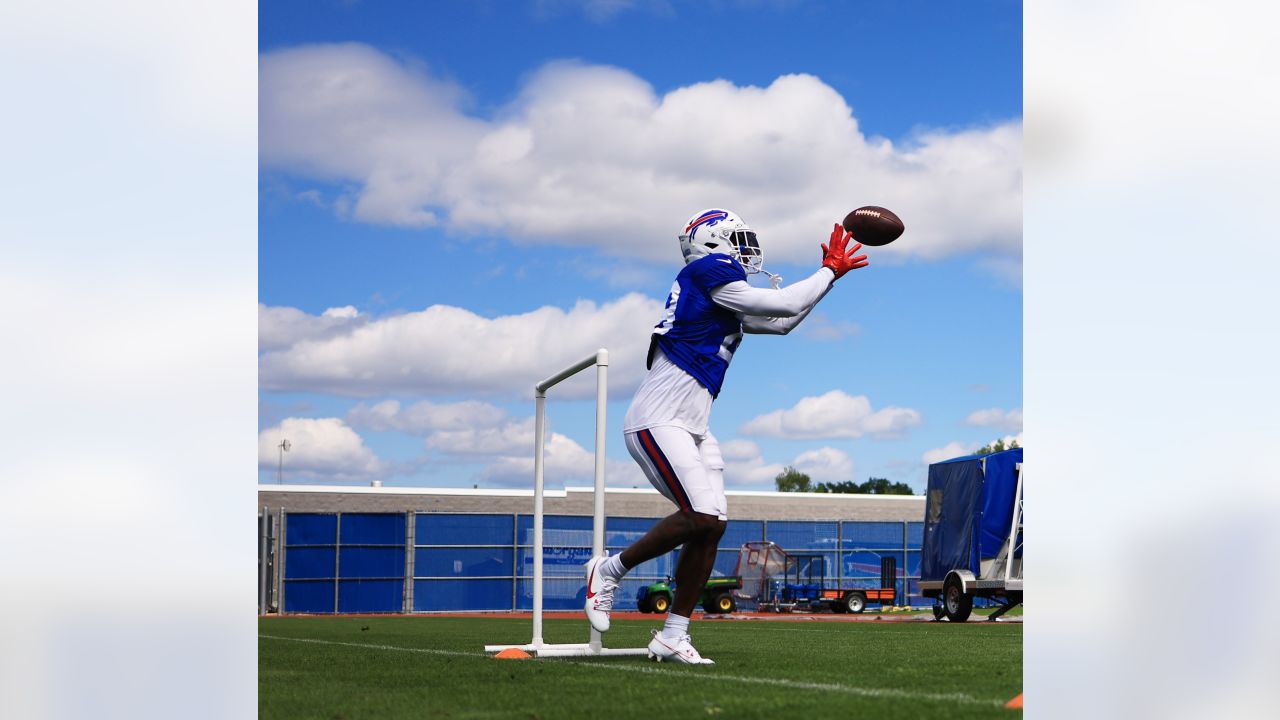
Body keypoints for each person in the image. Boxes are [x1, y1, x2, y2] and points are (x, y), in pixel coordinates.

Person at [582, 208, 869, 664]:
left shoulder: (718, 298)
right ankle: (610, 569)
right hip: (658, 420)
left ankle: (674, 634)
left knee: (711, 524)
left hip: (693, 427)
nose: (745, 247)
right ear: (712, 242)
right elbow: (783, 304)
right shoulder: (706, 269)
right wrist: (828, 269)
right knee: (701, 515)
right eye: (736, 238)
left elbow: (783, 322)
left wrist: (829, 279)